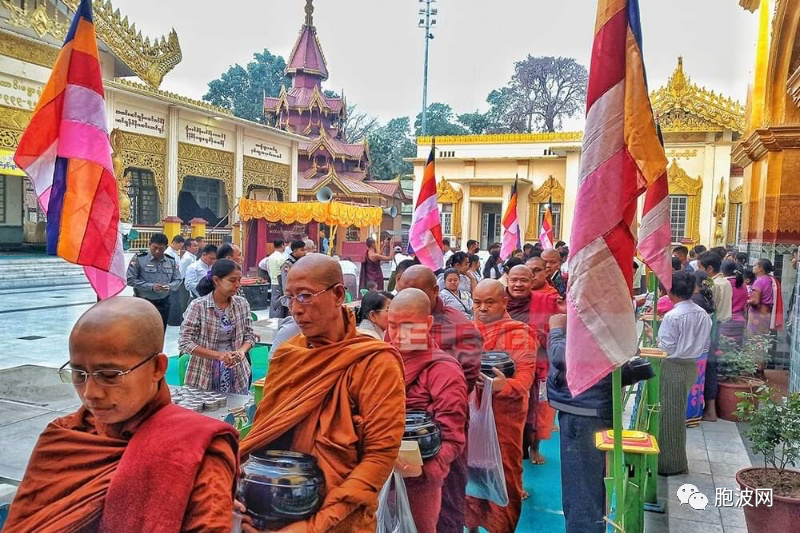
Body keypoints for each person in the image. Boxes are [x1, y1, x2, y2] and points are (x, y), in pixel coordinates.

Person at [4, 297, 238, 532]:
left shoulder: (197, 448)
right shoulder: (63, 436)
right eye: (79, 373)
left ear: (157, 368)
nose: (90, 393)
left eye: (109, 375)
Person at [238, 255, 405, 532]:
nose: (295, 310)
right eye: (289, 298)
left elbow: (379, 458)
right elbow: (264, 435)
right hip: (270, 516)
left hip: (339, 521)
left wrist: (313, 526)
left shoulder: (375, 363)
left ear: (338, 294)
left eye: (304, 296)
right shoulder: (289, 355)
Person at [395, 265, 483, 533]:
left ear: (435, 292)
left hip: (439, 437)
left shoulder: (460, 328)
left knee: (447, 511)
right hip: (396, 452)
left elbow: (465, 380)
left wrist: (434, 386)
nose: (399, 334)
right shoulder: (397, 324)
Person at [388, 288, 467, 533]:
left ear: (428, 323)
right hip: (374, 473)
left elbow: (453, 438)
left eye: (408, 326)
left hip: (418, 483)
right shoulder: (380, 358)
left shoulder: (444, 371)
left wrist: (424, 472)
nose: (398, 336)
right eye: (392, 325)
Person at [466, 280, 537, 533]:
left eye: (489, 302)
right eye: (477, 303)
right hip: (471, 416)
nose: (482, 309)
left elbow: (525, 379)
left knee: (505, 476)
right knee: (469, 472)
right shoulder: (467, 331)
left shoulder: (520, 333)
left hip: (504, 419)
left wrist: (502, 386)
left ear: (504, 302)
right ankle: (471, 526)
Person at [547, 313, 613, 533]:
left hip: (584, 410)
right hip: (587, 405)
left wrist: (556, 331)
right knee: (587, 483)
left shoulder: (593, 317)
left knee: (581, 486)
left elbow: (561, 356)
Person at [505, 264, 562, 464]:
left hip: (536, 367)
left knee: (536, 412)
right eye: (514, 280)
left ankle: (534, 448)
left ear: (532, 282)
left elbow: (557, 330)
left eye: (524, 280)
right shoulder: (498, 300)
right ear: (507, 279)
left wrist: (535, 337)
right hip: (503, 368)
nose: (518, 284)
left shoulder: (545, 301)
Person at [658, 271, 712, 475]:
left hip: (673, 366)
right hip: (691, 365)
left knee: (669, 417)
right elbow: (704, 343)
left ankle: (670, 464)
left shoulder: (673, 316)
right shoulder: (702, 314)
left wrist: (653, 338)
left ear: (671, 292)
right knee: (676, 413)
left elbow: (667, 347)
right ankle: (673, 460)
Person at [179, 259, 255, 394]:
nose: (238, 285)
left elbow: (249, 335)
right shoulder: (198, 306)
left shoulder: (242, 304)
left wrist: (242, 351)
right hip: (204, 374)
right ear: (216, 280)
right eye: (232, 280)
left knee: (236, 410)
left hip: (237, 373)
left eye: (239, 280)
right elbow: (185, 343)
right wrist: (218, 355)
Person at [697, 251, 732, 421]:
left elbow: (710, 307)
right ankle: (710, 408)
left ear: (709, 268)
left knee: (709, 368)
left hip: (713, 328)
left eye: (701, 268)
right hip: (720, 327)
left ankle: (710, 410)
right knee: (711, 367)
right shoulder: (725, 282)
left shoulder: (715, 285)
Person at [126, 232, 182, 330]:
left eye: (161, 249)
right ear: (149, 244)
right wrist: (151, 286)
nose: (157, 251)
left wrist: (170, 286)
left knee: (160, 331)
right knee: (142, 332)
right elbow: (130, 280)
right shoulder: (139, 258)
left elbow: (177, 279)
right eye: (154, 247)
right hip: (144, 303)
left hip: (164, 303)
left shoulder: (171, 260)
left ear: (166, 247)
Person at [747, 258, 784, 375]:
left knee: (755, 341)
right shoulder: (770, 280)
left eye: (755, 265)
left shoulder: (759, 281)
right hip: (766, 314)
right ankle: (760, 369)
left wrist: (746, 300)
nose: (753, 267)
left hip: (757, 315)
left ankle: (756, 369)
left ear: (761, 268)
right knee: (762, 342)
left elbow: (756, 301)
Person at [259, 239, 287, 318]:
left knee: (274, 301)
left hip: (273, 281)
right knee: (279, 302)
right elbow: (284, 272)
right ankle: (277, 318)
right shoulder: (282, 258)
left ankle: (272, 318)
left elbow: (267, 269)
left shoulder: (270, 257)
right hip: (280, 282)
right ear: (282, 245)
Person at [280, 240, 307, 310]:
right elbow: (286, 283)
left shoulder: (303, 262)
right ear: (295, 250)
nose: (305, 252)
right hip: (292, 297)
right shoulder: (287, 264)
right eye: (302, 250)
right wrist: (289, 296)